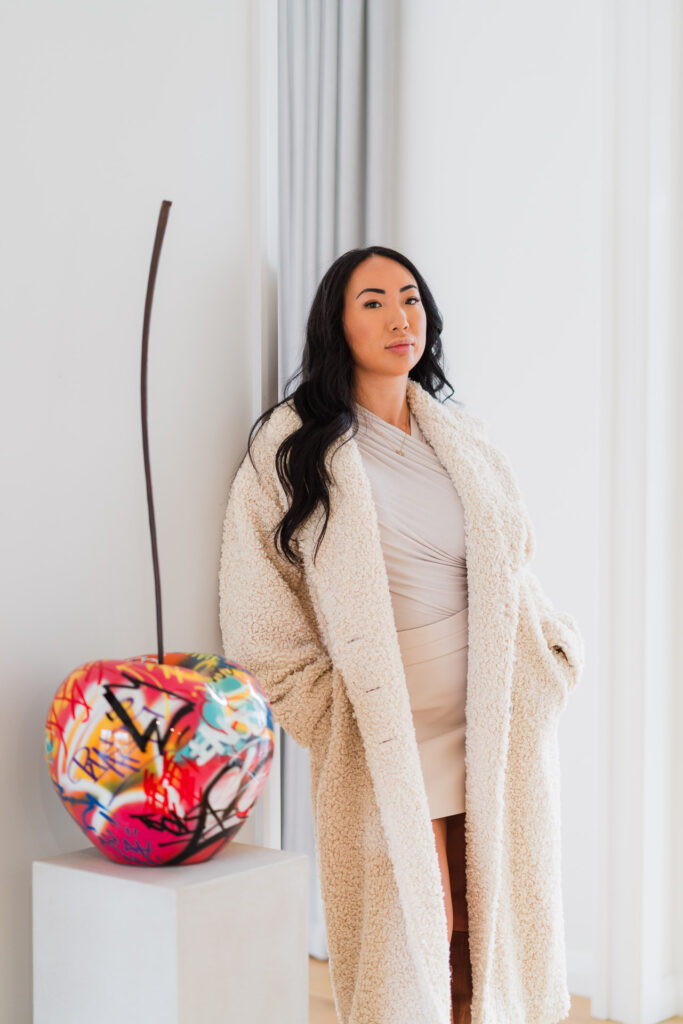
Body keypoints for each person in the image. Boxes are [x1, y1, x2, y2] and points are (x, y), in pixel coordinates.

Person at [218, 246, 585, 1024]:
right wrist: (330, 711)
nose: (398, 317)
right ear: (336, 323)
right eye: (374, 301)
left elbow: (513, 559)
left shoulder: (459, 435)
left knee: (483, 937)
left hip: (493, 717)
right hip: (389, 728)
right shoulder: (294, 445)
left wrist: (549, 656)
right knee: (412, 941)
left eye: (410, 298)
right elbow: (259, 605)